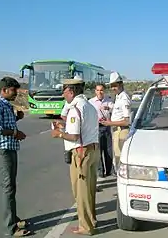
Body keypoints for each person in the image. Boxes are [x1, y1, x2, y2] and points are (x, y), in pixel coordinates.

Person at [51, 76, 100, 235]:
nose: (63, 94)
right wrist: (64, 126)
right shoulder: (89, 106)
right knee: (90, 189)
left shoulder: (75, 109)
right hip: (93, 150)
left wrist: (58, 133)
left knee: (81, 191)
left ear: (71, 91)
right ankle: (92, 220)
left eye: (64, 91)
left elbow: (74, 136)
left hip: (81, 153)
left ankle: (86, 227)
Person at [0, 77, 32, 237]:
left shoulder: (6, 105)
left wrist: (17, 118)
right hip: (2, 150)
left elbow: (6, 123)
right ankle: (11, 227)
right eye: (13, 91)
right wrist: (15, 133)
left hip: (10, 148)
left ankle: (14, 218)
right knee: (7, 187)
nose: (16, 94)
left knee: (11, 186)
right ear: (4, 90)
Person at [100, 72, 131, 173]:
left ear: (120, 84)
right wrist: (109, 108)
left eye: (115, 85)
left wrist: (110, 123)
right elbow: (119, 111)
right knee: (116, 157)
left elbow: (127, 121)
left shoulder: (124, 98)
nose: (113, 88)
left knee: (120, 159)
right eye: (112, 86)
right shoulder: (118, 97)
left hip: (121, 131)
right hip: (116, 131)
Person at [89, 84, 114, 178]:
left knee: (108, 150)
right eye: (98, 90)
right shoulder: (91, 102)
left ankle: (109, 170)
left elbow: (115, 109)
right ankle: (101, 171)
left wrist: (108, 108)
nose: (100, 92)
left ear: (104, 91)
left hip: (107, 126)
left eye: (102, 90)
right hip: (96, 127)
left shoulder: (109, 101)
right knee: (98, 151)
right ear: (95, 91)